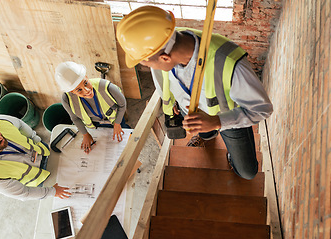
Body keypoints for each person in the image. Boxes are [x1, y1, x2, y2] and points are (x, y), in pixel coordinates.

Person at [116, 6, 273, 180]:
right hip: (189, 112)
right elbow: (163, 82)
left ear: (165, 58)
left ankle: (227, 151)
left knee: (248, 172)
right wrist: (171, 103)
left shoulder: (230, 64)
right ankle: (208, 135)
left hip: (227, 118)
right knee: (206, 133)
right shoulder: (165, 44)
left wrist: (216, 121)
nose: (150, 68)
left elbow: (262, 109)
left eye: (147, 65)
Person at [0, 115, 71, 201]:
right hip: (41, 178)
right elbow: (24, 193)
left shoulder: (0, 121)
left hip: (43, 150)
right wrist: (52, 191)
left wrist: (35, 138)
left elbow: (19, 123)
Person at [55, 61, 129, 154]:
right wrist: (85, 134)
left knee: (124, 141)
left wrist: (117, 124)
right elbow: (75, 118)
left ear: (86, 76)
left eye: (85, 83)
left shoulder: (106, 86)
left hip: (116, 119)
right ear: (72, 92)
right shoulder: (67, 99)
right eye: (79, 90)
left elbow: (122, 104)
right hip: (95, 125)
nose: (86, 90)